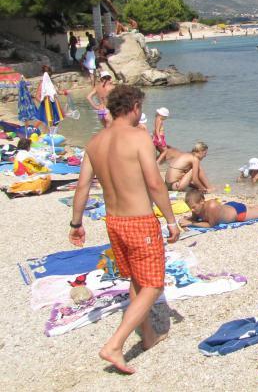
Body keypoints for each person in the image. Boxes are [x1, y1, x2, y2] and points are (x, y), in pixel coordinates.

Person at [68, 85, 179, 374]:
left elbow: (82, 186)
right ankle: (115, 345)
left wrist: (76, 223)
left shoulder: (95, 142)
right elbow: (154, 183)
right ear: (134, 107)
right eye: (141, 107)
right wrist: (171, 219)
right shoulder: (138, 137)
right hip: (139, 221)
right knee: (153, 285)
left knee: (138, 280)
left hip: (114, 222)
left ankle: (149, 337)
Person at [179, 189, 258, 228]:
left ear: (202, 201)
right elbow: (195, 218)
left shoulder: (212, 206)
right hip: (230, 206)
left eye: (193, 207)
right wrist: (189, 219)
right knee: (253, 208)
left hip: (239, 213)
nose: (192, 210)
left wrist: (191, 223)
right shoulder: (197, 208)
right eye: (190, 208)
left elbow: (211, 225)